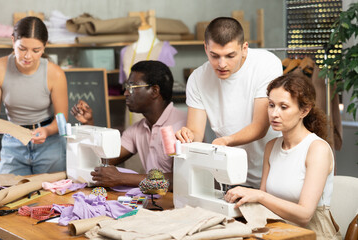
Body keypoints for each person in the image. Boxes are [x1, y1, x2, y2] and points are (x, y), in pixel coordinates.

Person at [224, 73, 341, 239]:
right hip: (278, 229)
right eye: (271, 105)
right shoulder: (271, 147)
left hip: (314, 233)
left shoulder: (317, 149)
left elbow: (304, 215)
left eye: (283, 107)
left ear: (304, 111)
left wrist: (260, 195)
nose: (274, 113)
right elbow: (261, 202)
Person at [175, 17, 283, 188]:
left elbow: (260, 126)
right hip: (230, 176)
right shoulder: (197, 78)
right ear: (205, 48)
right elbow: (196, 132)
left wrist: (226, 141)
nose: (222, 64)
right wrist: (186, 136)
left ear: (244, 48)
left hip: (271, 173)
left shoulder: (267, 64)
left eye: (230, 56)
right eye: (214, 55)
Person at [71, 60, 186, 188]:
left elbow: (180, 179)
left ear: (154, 91)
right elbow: (105, 160)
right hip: (154, 199)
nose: (125, 93)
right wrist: (89, 124)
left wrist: (122, 178)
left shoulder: (183, 127)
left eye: (131, 87)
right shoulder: (138, 129)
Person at [0, 16, 68, 175]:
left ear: (44, 46)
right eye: (22, 48)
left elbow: (61, 118)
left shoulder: (55, 74)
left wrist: (47, 132)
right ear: (12, 41)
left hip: (49, 141)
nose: (28, 56)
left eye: (36, 50)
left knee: (52, 195)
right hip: (14, 139)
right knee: (7, 193)